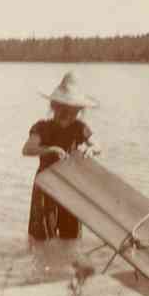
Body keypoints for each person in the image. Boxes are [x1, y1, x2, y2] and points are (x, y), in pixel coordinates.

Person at [22, 71, 101, 241]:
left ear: (78, 110)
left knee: (70, 236)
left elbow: (98, 146)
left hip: (70, 185)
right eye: (62, 109)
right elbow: (27, 149)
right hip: (46, 184)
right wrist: (49, 150)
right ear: (54, 106)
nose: (66, 115)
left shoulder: (79, 128)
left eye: (72, 111)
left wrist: (91, 150)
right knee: (41, 237)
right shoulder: (42, 127)